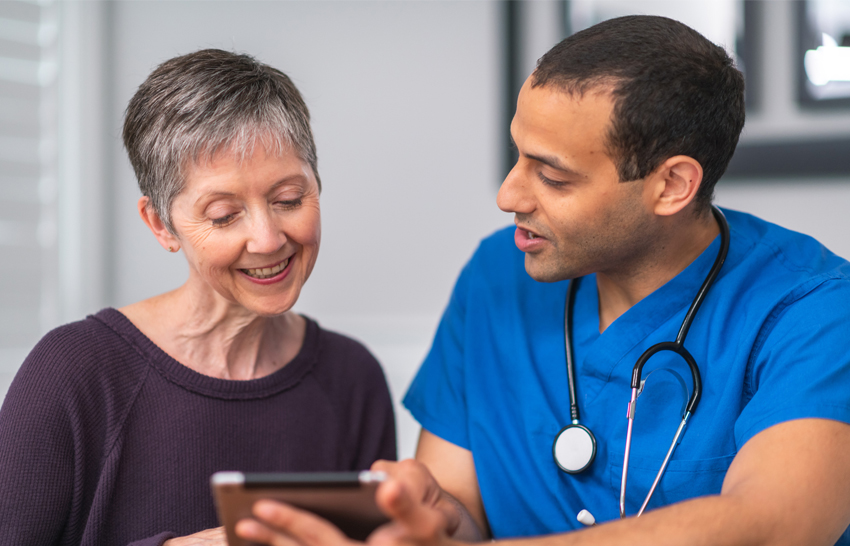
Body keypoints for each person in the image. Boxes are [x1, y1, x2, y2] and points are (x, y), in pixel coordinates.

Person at [230, 15, 850, 546]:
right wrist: (433, 519)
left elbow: (773, 526)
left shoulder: (813, 308)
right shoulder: (497, 276)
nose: (508, 195)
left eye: (552, 177)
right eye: (517, 154)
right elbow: (458, 507)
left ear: (671, 185)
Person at [0, 49, 396, 546]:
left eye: (289, 200)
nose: (268, 239)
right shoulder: (73, 371)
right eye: (224, 214)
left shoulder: (352, 378)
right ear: (161, 225)